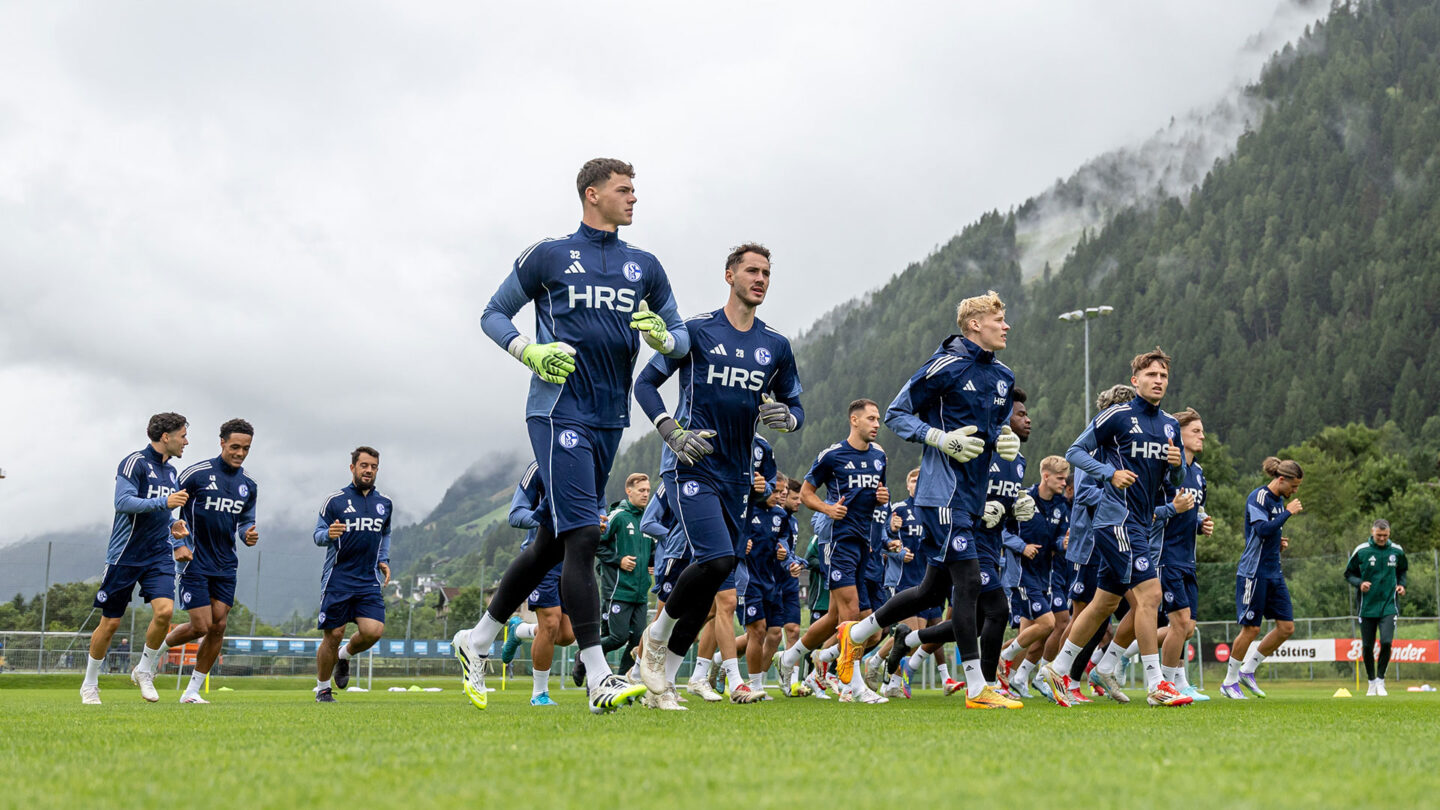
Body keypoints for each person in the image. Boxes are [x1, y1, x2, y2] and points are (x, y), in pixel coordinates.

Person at [462, 158, 688, 715]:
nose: (634, 198)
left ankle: (479, 639)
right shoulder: (550, 254)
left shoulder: (646, 266)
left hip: (610, 418)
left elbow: (680, 338)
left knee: (552, 541)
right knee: (585, 535)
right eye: (624, 190)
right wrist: (528, 350)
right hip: (557, 411)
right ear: (592, 194)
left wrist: (665, 339)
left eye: (636, 190)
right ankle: (597, 675)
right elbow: (494, 314)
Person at [828, 291, 1023, 709]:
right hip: (941, 494)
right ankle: (977, 688)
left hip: (970, 497)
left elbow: (993, 428)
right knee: (969, 583)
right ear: (973, 324)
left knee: (931, 593)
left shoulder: (1004, 376)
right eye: (998, 319)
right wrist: (938, 438)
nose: (1006, 326)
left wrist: (1004, 440)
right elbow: (898, 413)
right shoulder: (946, 365)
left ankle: (855, 635)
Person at [635, 243, 803, 707]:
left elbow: (796, 408)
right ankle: (655, 637)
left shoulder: (775, 345)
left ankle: (662, 682)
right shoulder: (695, 332)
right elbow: (645, 384)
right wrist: (669, 430)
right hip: (691, 465)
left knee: (717, 573)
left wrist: (786, 418)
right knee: (714, 557)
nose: (761, 278)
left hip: (736, 477)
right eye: (751, 270)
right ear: (729, 275)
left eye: (767, 272)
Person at [1041, 348, 1192, 708]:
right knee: (1151, 595)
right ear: (1135, 380)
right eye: (1151, 374)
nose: (1158, 381)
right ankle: (1157, 683)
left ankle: (1057, 669)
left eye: (1163, 376)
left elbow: (1175, 479)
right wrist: (1109, 473)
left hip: (1142, 520)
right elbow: (1075, 451)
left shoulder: (1170, 425)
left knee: (1103, 602)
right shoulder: (1117, 416)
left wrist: (1176, 467)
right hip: (1116, 520)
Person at [783, 399, 890, 703]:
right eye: (871, 418)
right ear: (854, 420)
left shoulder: (880, 456)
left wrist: (883, 497)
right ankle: (853, 688)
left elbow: (880, 494)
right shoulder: (832, 455)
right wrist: (828, 509)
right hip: (839, 543)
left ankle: (790, 659)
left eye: (878, 419)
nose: (876, 424)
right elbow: (805, 494)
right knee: (852, 614)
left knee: (849, 621)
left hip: (866, 545)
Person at [82, 412, 190, 705]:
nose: (186, 441)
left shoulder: (172, 472)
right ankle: (90, 683)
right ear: (165, 436)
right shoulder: (134, 463)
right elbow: (123, 502)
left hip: (158, 554)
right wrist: (163, 503)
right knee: (110, 623)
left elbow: (164, 513)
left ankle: (144, 669)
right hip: (125, 556)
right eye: (182, 435)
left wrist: (175, 526)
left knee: (166, 612)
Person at [162, 419, 259, 704]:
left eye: (246, 449)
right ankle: (153, 651)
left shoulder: (248, 485)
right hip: (195, 560)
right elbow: (169, 510)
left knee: (219, 627)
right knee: (202, 625)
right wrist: (179, 544)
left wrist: (247, 534)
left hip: (226, 564)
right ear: (222, 443)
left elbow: (246, 520)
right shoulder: (196, 474)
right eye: (235, 447)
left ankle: (191, 691)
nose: (240, 453)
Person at [313, 447, 392, 703]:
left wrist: (383, 559)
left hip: (368, 580)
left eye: (373, 467)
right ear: (353, 468)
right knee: (333, 635)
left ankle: (344, 656)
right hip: (338, 578)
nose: (369, 470)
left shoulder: (385, 504)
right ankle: (323, 689)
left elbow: (385, 533)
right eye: (364, 465)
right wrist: (329, 535)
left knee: (373, 631)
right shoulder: (334, 501)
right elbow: (317, 535)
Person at [1221, 456, 1303, 700]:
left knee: (1286, 627)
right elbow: (1261, 529)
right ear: (1281, 479)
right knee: (1251, 628)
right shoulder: (1258, 497)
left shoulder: (1278, 500)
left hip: (1273, 572)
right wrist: (1287, 514)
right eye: (1294, 486)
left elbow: (1269, 534)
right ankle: (1229, 682)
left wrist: (1279, 543)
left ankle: (1248, 670)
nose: (1295, 491)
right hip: (1253, 572)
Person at [497, 461, 576, 707]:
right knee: (550, 623)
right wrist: (548, 520)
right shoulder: (540, 466)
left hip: (573, 559)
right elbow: (515, 515)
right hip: (542, 558)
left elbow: (599, 509)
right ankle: (539, 694)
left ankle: (520, 631)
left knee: (566, 636)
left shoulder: (589, 464)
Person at [1153, 408, 1212, 702]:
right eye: (1196, 431)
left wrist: (1202, 523)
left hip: (1188, 558)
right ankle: (1166, 684)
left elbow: (1196, 511)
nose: (1202, 435)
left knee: (1188, 627)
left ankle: (1124, 653)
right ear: (1178, 435)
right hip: (1166, 555)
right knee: (1179, 622)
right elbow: (1150, 511)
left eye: (1202, 431)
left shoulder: (1198, 473)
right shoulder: (1165, 470)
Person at [1001, 455, 1069, 700]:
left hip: (1044, 577)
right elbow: (1000, 531)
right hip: (1021, 575)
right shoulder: (1023, 500)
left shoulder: (1061, 506)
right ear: (1046, 476)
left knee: (1034, 637)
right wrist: (1021, 546)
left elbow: (1058, 540)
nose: (1064, 482)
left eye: (1065, 478)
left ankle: (1013, 680)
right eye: (1060, 478)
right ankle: (1004, 660)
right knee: (1049, 624)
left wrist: (1064, 542)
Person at [598, 474, 654, 677]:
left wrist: (652, 564)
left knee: (638, 641)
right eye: (641, 490)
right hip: (619, 590)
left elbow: (652, 550)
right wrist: (619, 559)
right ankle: (585, 655)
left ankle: (622, 679)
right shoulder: (619, 516)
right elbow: (597, 544)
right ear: (628, 491)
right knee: (617, 638)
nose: (646, 494)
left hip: (640, 593)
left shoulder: (649, 519)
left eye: (648, 490)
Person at [1345, 519, 1407, 696]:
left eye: (1385, 535)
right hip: (1367, 606)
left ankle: (1381, 680)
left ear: (1389, 534)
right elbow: (1348, 573)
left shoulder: (1397, 551)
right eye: (1379, 535)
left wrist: (1401, 585)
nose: (1381, 538)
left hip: (1389, 605)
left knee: (1386, 642)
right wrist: (1360, 583)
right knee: (1367, 646)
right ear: (1372, 531)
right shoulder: (1362, 550)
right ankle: (1371, 682)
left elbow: (1402, 570)